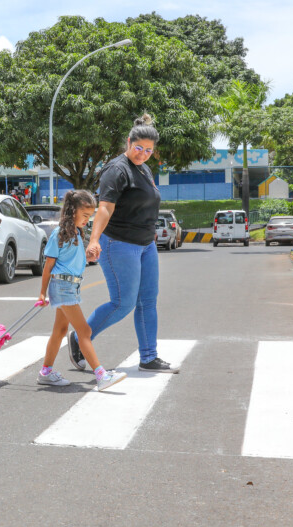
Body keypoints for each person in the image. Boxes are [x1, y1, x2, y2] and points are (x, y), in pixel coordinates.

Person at [68, 114, 179, 374]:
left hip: (145, 245)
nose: (143, 153)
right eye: (138, 148)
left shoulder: (144, 169)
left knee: (148, 301)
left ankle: (149, 357)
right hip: (119, 243)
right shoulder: (116, 170)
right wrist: (94, 240)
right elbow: (105, 209)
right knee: (123, 303)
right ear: (128, 142)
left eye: (149, 150)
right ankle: (79, 338)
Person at [36, 190, 128, 390]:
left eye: (90, 216)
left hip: (70, 286)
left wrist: (88, 258)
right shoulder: (59, 233)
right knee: (84, 330)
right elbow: (48, 266)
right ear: (72, 212)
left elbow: (71, 261)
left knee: (60, 331)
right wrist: (42, 293)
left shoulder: (76, 233)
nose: (88, 219)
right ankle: (101, 375)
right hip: (62, 286)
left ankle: (46, 372)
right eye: (85, 215)